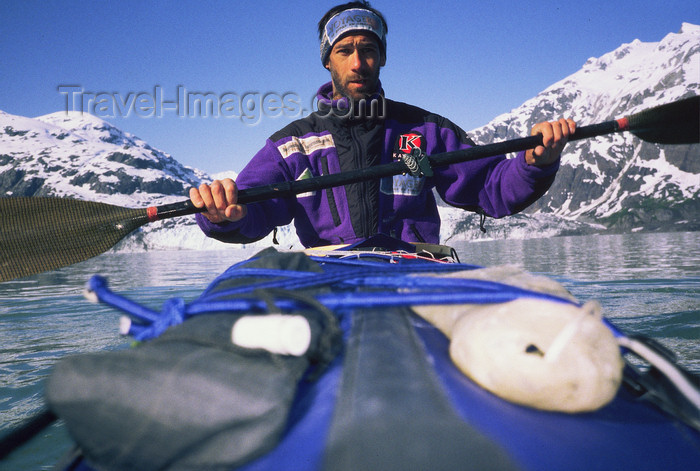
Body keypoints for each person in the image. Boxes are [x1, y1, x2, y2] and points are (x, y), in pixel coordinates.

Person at [190, 1, 575, 248]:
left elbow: (491, 188)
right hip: (331, 277)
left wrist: (534, 162)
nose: (358, 63)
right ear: (328, 60)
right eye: (345, 51)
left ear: (382, 58)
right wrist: (220, 215)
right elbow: (252, 211)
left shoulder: (427, 131)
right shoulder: (293, 145)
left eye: (368, 50)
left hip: (418, 275)